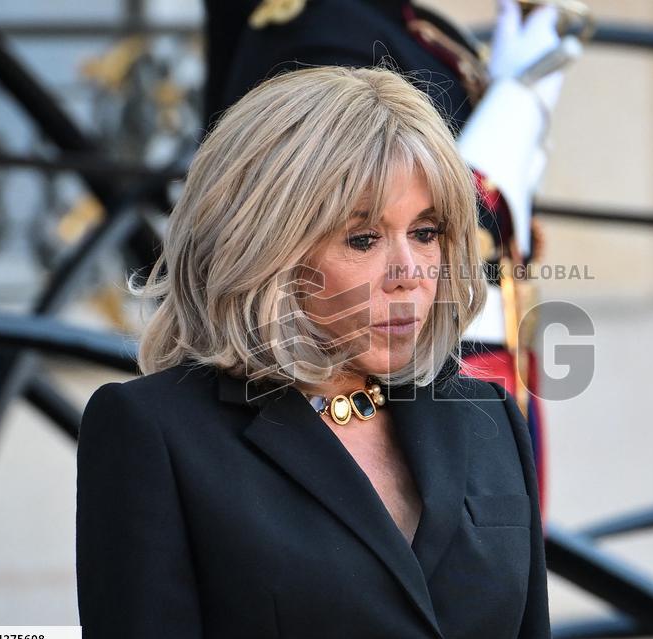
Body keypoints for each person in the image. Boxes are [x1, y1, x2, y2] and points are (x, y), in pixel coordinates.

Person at [75, 65, 555, 639]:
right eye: (364, 239)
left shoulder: (490, 419)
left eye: (426, 232)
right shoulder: (155, 435)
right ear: (265, 249)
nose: (409, 274)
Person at [202, 0, 583, 524]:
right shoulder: (318, 31)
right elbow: (414, 215)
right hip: (389, 366)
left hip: (475, 351)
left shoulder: (411, 25)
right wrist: (516, 106)